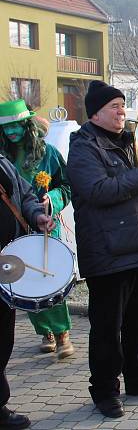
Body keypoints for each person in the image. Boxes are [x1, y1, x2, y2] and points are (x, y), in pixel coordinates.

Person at [67, 80, 138, 418]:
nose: (122, 111)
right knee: (106, 329)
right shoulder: (84, 147)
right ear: (95, 112)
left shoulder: (132, 142)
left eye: (122, 105)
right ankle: (104, 391)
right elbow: (99, 190)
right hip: (107, 252)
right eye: (114, 106)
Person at [0, 100, 74, 359]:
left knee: (49, 277)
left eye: (16, 127)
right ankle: (45, 332)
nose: (11, 133)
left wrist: (51, 199)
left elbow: (67, 186)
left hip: (45, 225)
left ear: (27, 125)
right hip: (15, 233)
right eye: (5, 129)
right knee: (26, 282)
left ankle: (63, 331)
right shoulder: (3, 157)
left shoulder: (49, 153)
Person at [0, 151, 54, 430]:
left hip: (6, 268)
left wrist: (37, 216)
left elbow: (25, 194)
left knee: (3, 339)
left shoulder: (2, 161)